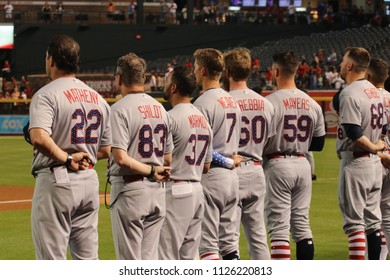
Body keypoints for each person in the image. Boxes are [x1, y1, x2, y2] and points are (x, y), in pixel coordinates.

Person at [29, 35, 112, 260]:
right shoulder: (98, 99)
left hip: (58, 180)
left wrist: (67, 158)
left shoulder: (46, 94)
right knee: (87, 261)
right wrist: (84, 155)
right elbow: (106, 149)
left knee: (52, 261)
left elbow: (38, 137)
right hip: (89, 181)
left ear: (52, 60)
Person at [108, 53, 172, 260]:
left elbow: (121, 158)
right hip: (158, 191)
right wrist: (154, 170)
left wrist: (149, 170)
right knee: (149, 261)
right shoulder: (161, 109)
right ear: (143, 79)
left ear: (119, 79)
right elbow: (168, 159)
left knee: (129, 263)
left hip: (131, 190)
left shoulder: (118, 109)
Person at [264, 50, 326, 260]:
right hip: (303, 163)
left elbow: (261, 141)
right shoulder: (312, 103)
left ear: (276, 71)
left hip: (277, 163)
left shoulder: (270, 102)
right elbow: (318, 144)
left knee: (279, 229)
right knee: (301, 225)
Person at [224, 48, 275, 260]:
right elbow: (269, 141)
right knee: (258, 237)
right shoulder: (265, 102)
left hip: (231, 170)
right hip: (256, 169)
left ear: (226, 72)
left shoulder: (223, 101)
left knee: (228, 239)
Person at [337, 47, 386, 260]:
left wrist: (373, 146)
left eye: (342, 61)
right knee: (373, 224)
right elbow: (383, 128)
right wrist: (378, 145)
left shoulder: (349, 92)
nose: (340, 65)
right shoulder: (375, 91)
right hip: (374, 166)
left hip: (357, 161)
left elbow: (353, 131)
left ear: (349, 65)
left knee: (355, 225)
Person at [159, 65, 213, 260]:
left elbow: (163, 159)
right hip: (197, 190)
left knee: (166, 257)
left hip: (176, 189)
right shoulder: (203, 119)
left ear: (173, 88)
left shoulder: (169, 118)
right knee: (189, 258)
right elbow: (207, 166)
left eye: (167, 82)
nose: (164, 85)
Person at [193, 48, 242, 260]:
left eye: (195, 68)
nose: (194, 72)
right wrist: (230, 162)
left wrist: (228, 161)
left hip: (213, 175)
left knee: (208, 247)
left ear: (203, 70)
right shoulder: (231, 100)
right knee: (230, 245)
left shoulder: (202, 103)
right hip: (232, 180)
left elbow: (203, 149)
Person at [365, 58, 390, 260]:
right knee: (387, 216)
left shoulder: (368, 98)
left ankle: (370, 265)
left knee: (370, 218)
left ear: (368, 76)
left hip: (374, 156)